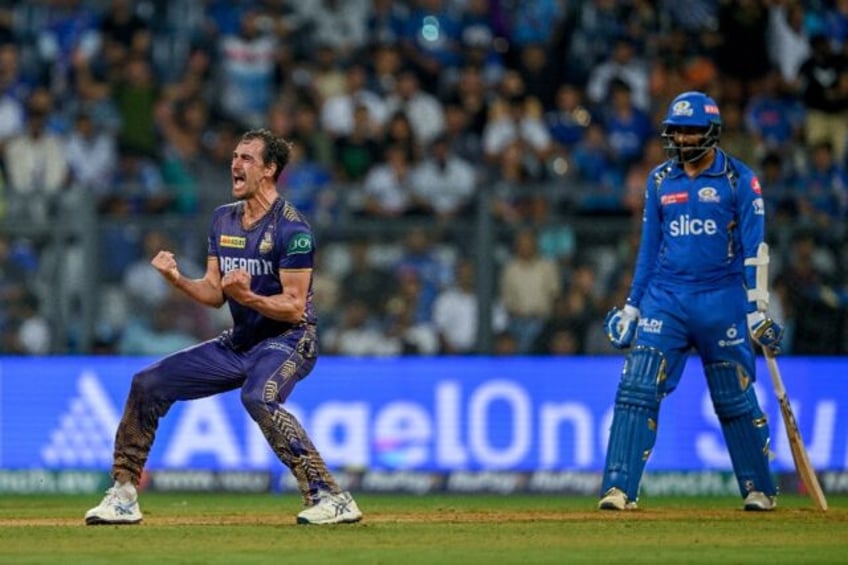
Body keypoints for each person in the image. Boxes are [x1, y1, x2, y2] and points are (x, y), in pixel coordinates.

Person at [84, 129, 362, 526]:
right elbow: (215, 293)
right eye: (235, 156)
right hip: (241, 342)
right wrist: (178, 279)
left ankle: (330, 495)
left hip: (290, 340)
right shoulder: (222, 219)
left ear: (269, 170)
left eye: (247, 158)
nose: (236, 163)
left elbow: (294, 307)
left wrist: (247, 298)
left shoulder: (293, 230)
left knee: (258, 396)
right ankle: (124, 495)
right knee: (147, 384)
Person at [598, 92, 784, 512]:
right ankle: (618, 489)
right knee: (636, 387)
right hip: (666, 300)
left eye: (690, 130)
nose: (682, 139)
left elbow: (755, 250)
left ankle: (759, 488)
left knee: (733, 398)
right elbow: (648, 250)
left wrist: (758, 310)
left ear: (711, 133)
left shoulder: (740, 180)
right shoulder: (661, 180)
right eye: (676, 131)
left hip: (722, 301)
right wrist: (632, 307)